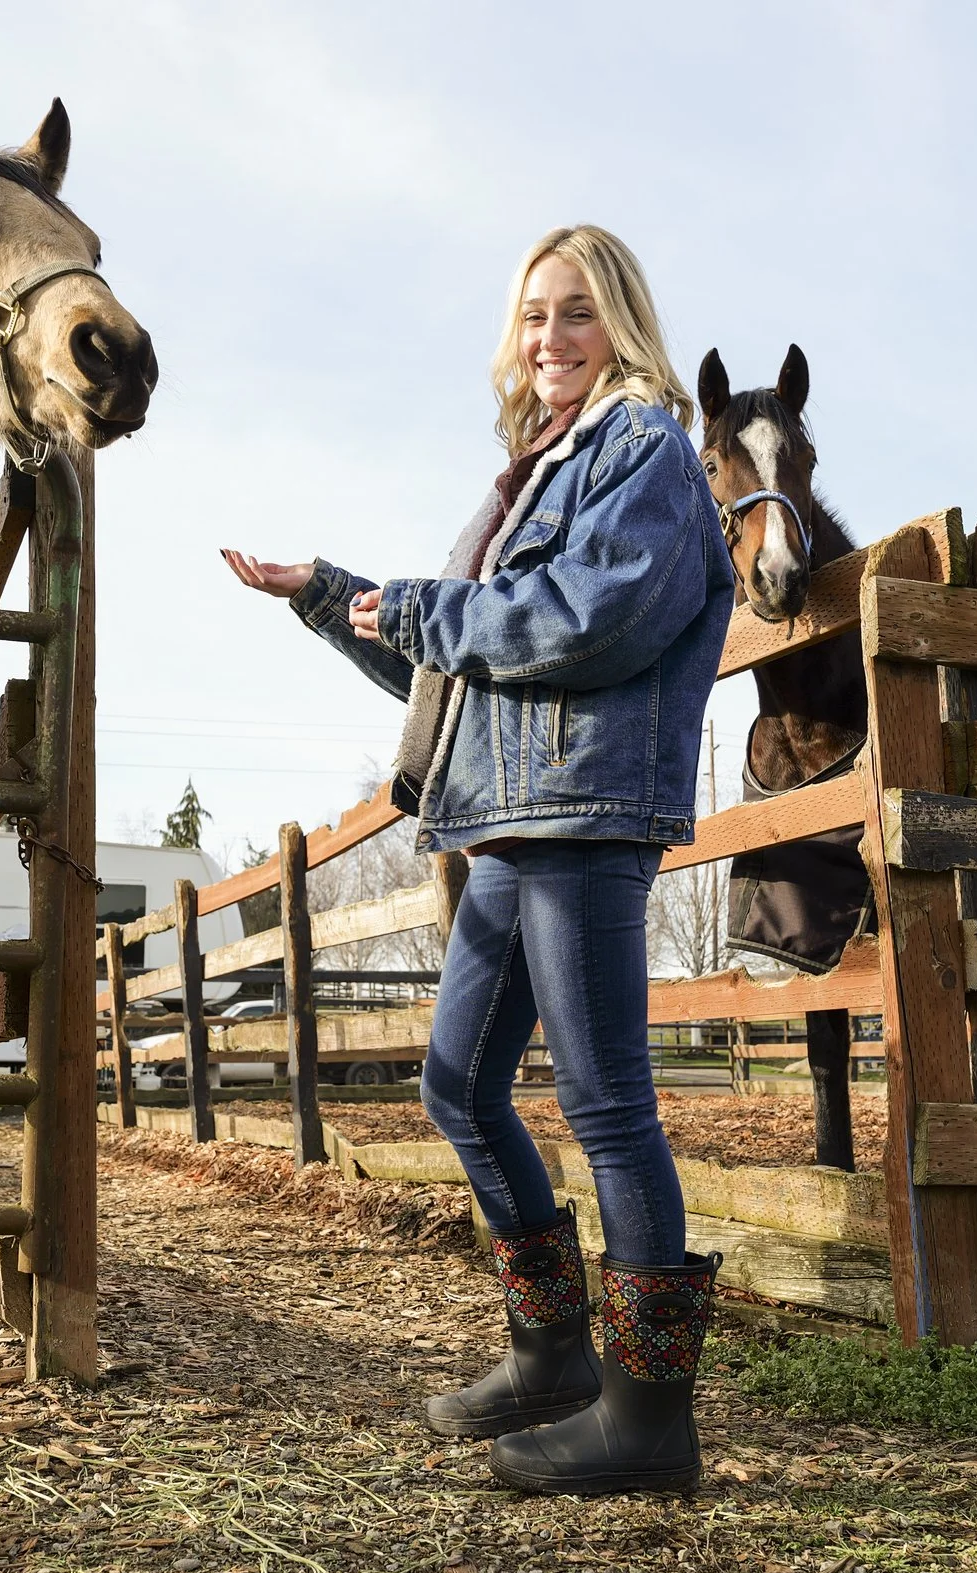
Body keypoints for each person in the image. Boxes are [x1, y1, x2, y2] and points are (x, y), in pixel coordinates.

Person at [221, 225, 735, 1495]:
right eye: (529, 317)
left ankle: (648, 1414)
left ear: (620, 320)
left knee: (609, 1101)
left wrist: (413, 600)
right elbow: (461, 665)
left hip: (581, 809)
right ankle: (552, 1350)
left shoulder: (647, 452)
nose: (548, 338)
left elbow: (583, 621)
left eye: (574, 312)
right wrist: (330, 593)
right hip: (510, 815)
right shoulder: (535, 472)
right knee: (456, 1086)